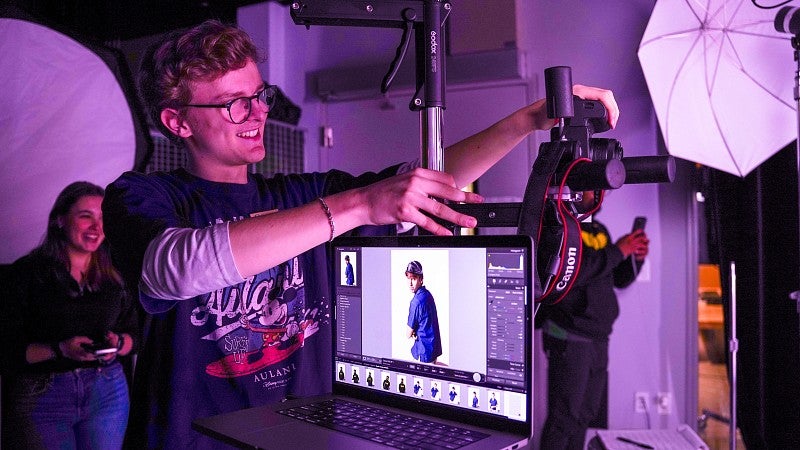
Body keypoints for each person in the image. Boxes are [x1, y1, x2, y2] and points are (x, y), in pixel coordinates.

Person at [100, 19, 619, 449]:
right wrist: (356, 204)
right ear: (178, 123)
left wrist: (528, 120)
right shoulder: (141, 197)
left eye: (260, 96)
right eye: (234, 103)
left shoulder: (303, 192)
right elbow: (175, 267)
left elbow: (425, 183)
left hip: (304, 437)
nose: (257, 113)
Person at [1, 181, 137, 449]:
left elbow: (137, 333)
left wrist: (118, 344)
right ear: (60, 220)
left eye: (102, 218)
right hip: (43, 395)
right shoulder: (26, 274)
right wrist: (60, 350)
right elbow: (5, 350)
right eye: (86, 216)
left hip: (107, 391)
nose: (97, 227)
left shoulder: (116, 273)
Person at [539, 189, 649, 450]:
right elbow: (571, 276)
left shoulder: (598, 228)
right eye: (593, 187)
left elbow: (615, 279)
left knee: (585, 415)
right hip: (569, 335)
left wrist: (634, 259)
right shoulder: (560, 227)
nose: (601, 193)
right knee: (563, 419)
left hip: (598, 337)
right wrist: (617, 250)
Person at [405, 260, 442, 364]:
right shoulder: (428, 295)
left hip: (424, 353)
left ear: (421, 279)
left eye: (414, 279)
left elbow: (408, 334)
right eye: (408, 278)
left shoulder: (415, 302)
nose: (410, 283)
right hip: (434, 350)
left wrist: (413, 332)